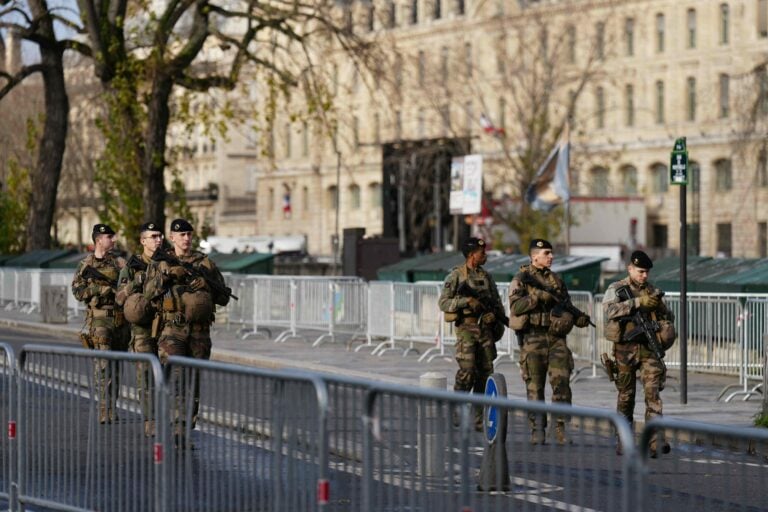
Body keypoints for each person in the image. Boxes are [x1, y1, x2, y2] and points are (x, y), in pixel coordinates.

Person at [143, 218, 232, 447]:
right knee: (178, 378)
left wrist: (206, 285)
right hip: (172, 330)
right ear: (172, 237)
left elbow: (223, 297)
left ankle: (185, 428)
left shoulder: (205, 263)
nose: (186, 238)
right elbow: (148, 294)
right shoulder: (161, 262)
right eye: (181, 234)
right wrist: (167, 275)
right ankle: (176, 427)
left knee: (193, 381)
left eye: (189, 234)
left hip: (200, 333)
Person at [508, 239, 591, 445]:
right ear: (534, 256)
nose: (551, 257)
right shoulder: (521, 279)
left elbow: (566, 305)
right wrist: (538, 298)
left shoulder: (556, 280)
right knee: (535, 386)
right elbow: (516, 306)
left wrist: (578, 317)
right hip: (532, 337)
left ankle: (560, 428)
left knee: (562, 382)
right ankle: (537, 429)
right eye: (546, 253)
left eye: (551, 253)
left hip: (556, 338)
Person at [602, 250, 676, 457]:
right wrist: (637, 303)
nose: (644, 276)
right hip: (625, 350)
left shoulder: (652, 291)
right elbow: (608, 311)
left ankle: (655, 441)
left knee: (653, 394)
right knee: (626, 396)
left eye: (647, 272)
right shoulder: (617, 288)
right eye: (640, 271)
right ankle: (624, 439)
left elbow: (669, 316)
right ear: (630, 269)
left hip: (649, 349)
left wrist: (659, 306)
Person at [438, 237, 506, 431]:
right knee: (467, 371)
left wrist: (496, 318)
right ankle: (456, 406)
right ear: (471, 255)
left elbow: (496, 303)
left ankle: (479, 419)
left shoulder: (487, 277)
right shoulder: (456, 276)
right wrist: (466, 302)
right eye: (481, 253)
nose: (485, 256)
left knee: (484, 375)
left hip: (485, 332)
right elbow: (443, 302)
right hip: (466, 331)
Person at [71, 223, 129, 424]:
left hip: (120, 321)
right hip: (100, 319)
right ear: (99, 240)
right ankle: (105, 410)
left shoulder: (120, 263)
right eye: (110, 237)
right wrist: (98, 290)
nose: (113, 240)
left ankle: (113, 406)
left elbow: (129, 286)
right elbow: (78, 292)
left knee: (116, 366)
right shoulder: (86, 264)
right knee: (103, 366)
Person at [116, 222, 163, 436]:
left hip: (166, 326)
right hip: (142, 330)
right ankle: (151, 420)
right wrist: (136, 282)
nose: (158, 239)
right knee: (146, 377)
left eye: (160, 235)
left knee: (171, 374)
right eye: (152, 236)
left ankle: (172, 419)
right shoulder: (132, 266)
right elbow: (119, 298)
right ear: (143, 241)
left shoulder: (167, 262)